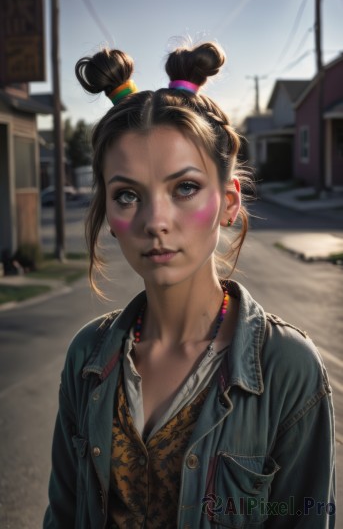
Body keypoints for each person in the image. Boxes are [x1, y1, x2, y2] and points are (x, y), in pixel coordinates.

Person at [43, 41, 335, 529]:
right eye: (128, 194)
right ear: (108, 215)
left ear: (228, 201)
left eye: (184, 188)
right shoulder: (87, 358)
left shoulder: (288, 369)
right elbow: (64, 515)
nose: (156, 221)